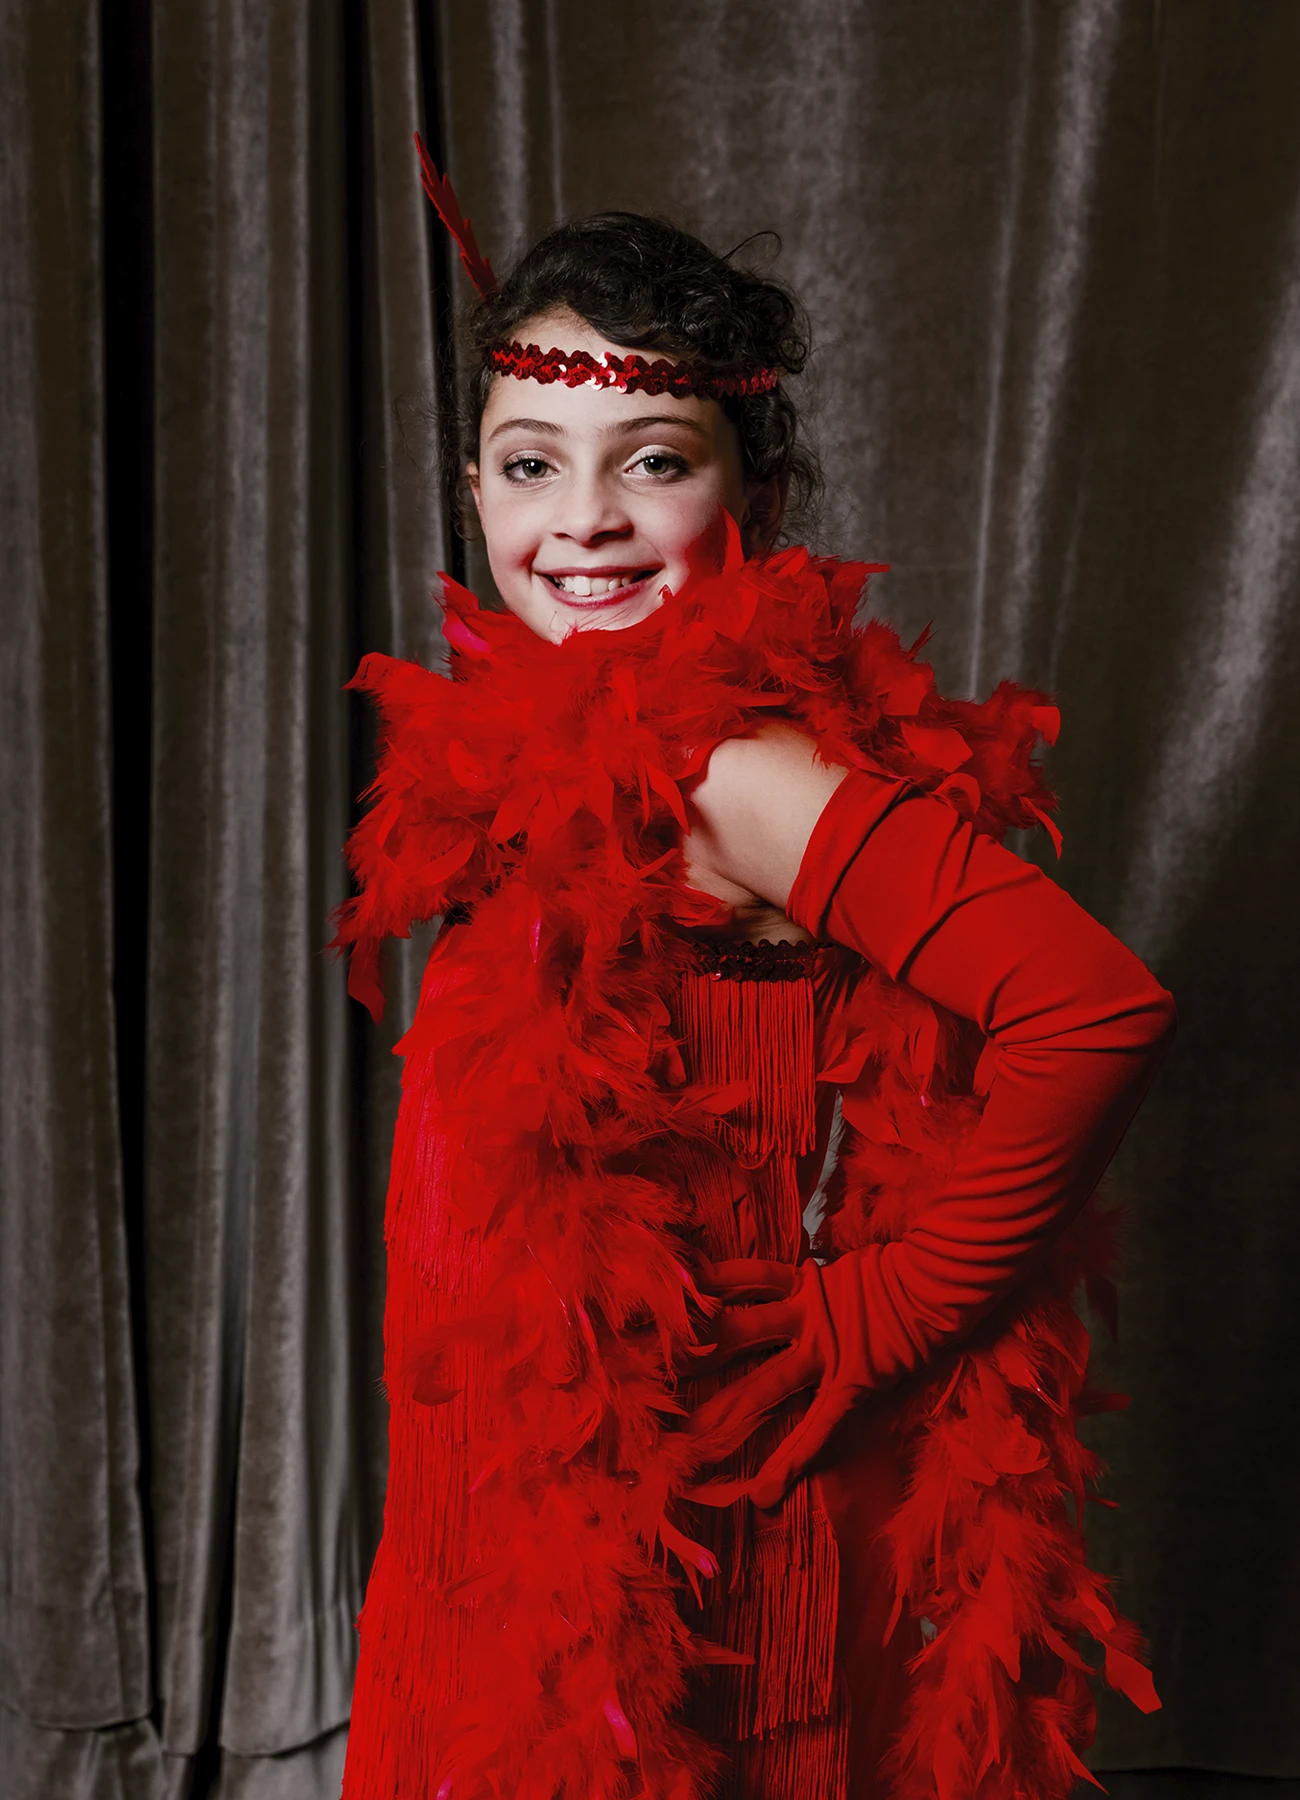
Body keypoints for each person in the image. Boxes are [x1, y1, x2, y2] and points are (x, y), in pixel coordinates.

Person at [334, 149, 1176, 1800]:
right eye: (528, 464)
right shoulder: (551, 758)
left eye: (652, 461)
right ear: (475, 493)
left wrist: (892, 1309)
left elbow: (1093, 1006)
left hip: (672, 1556)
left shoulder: (725, 765)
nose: (582, 519)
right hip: (513, 1517)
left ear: (756, 503)